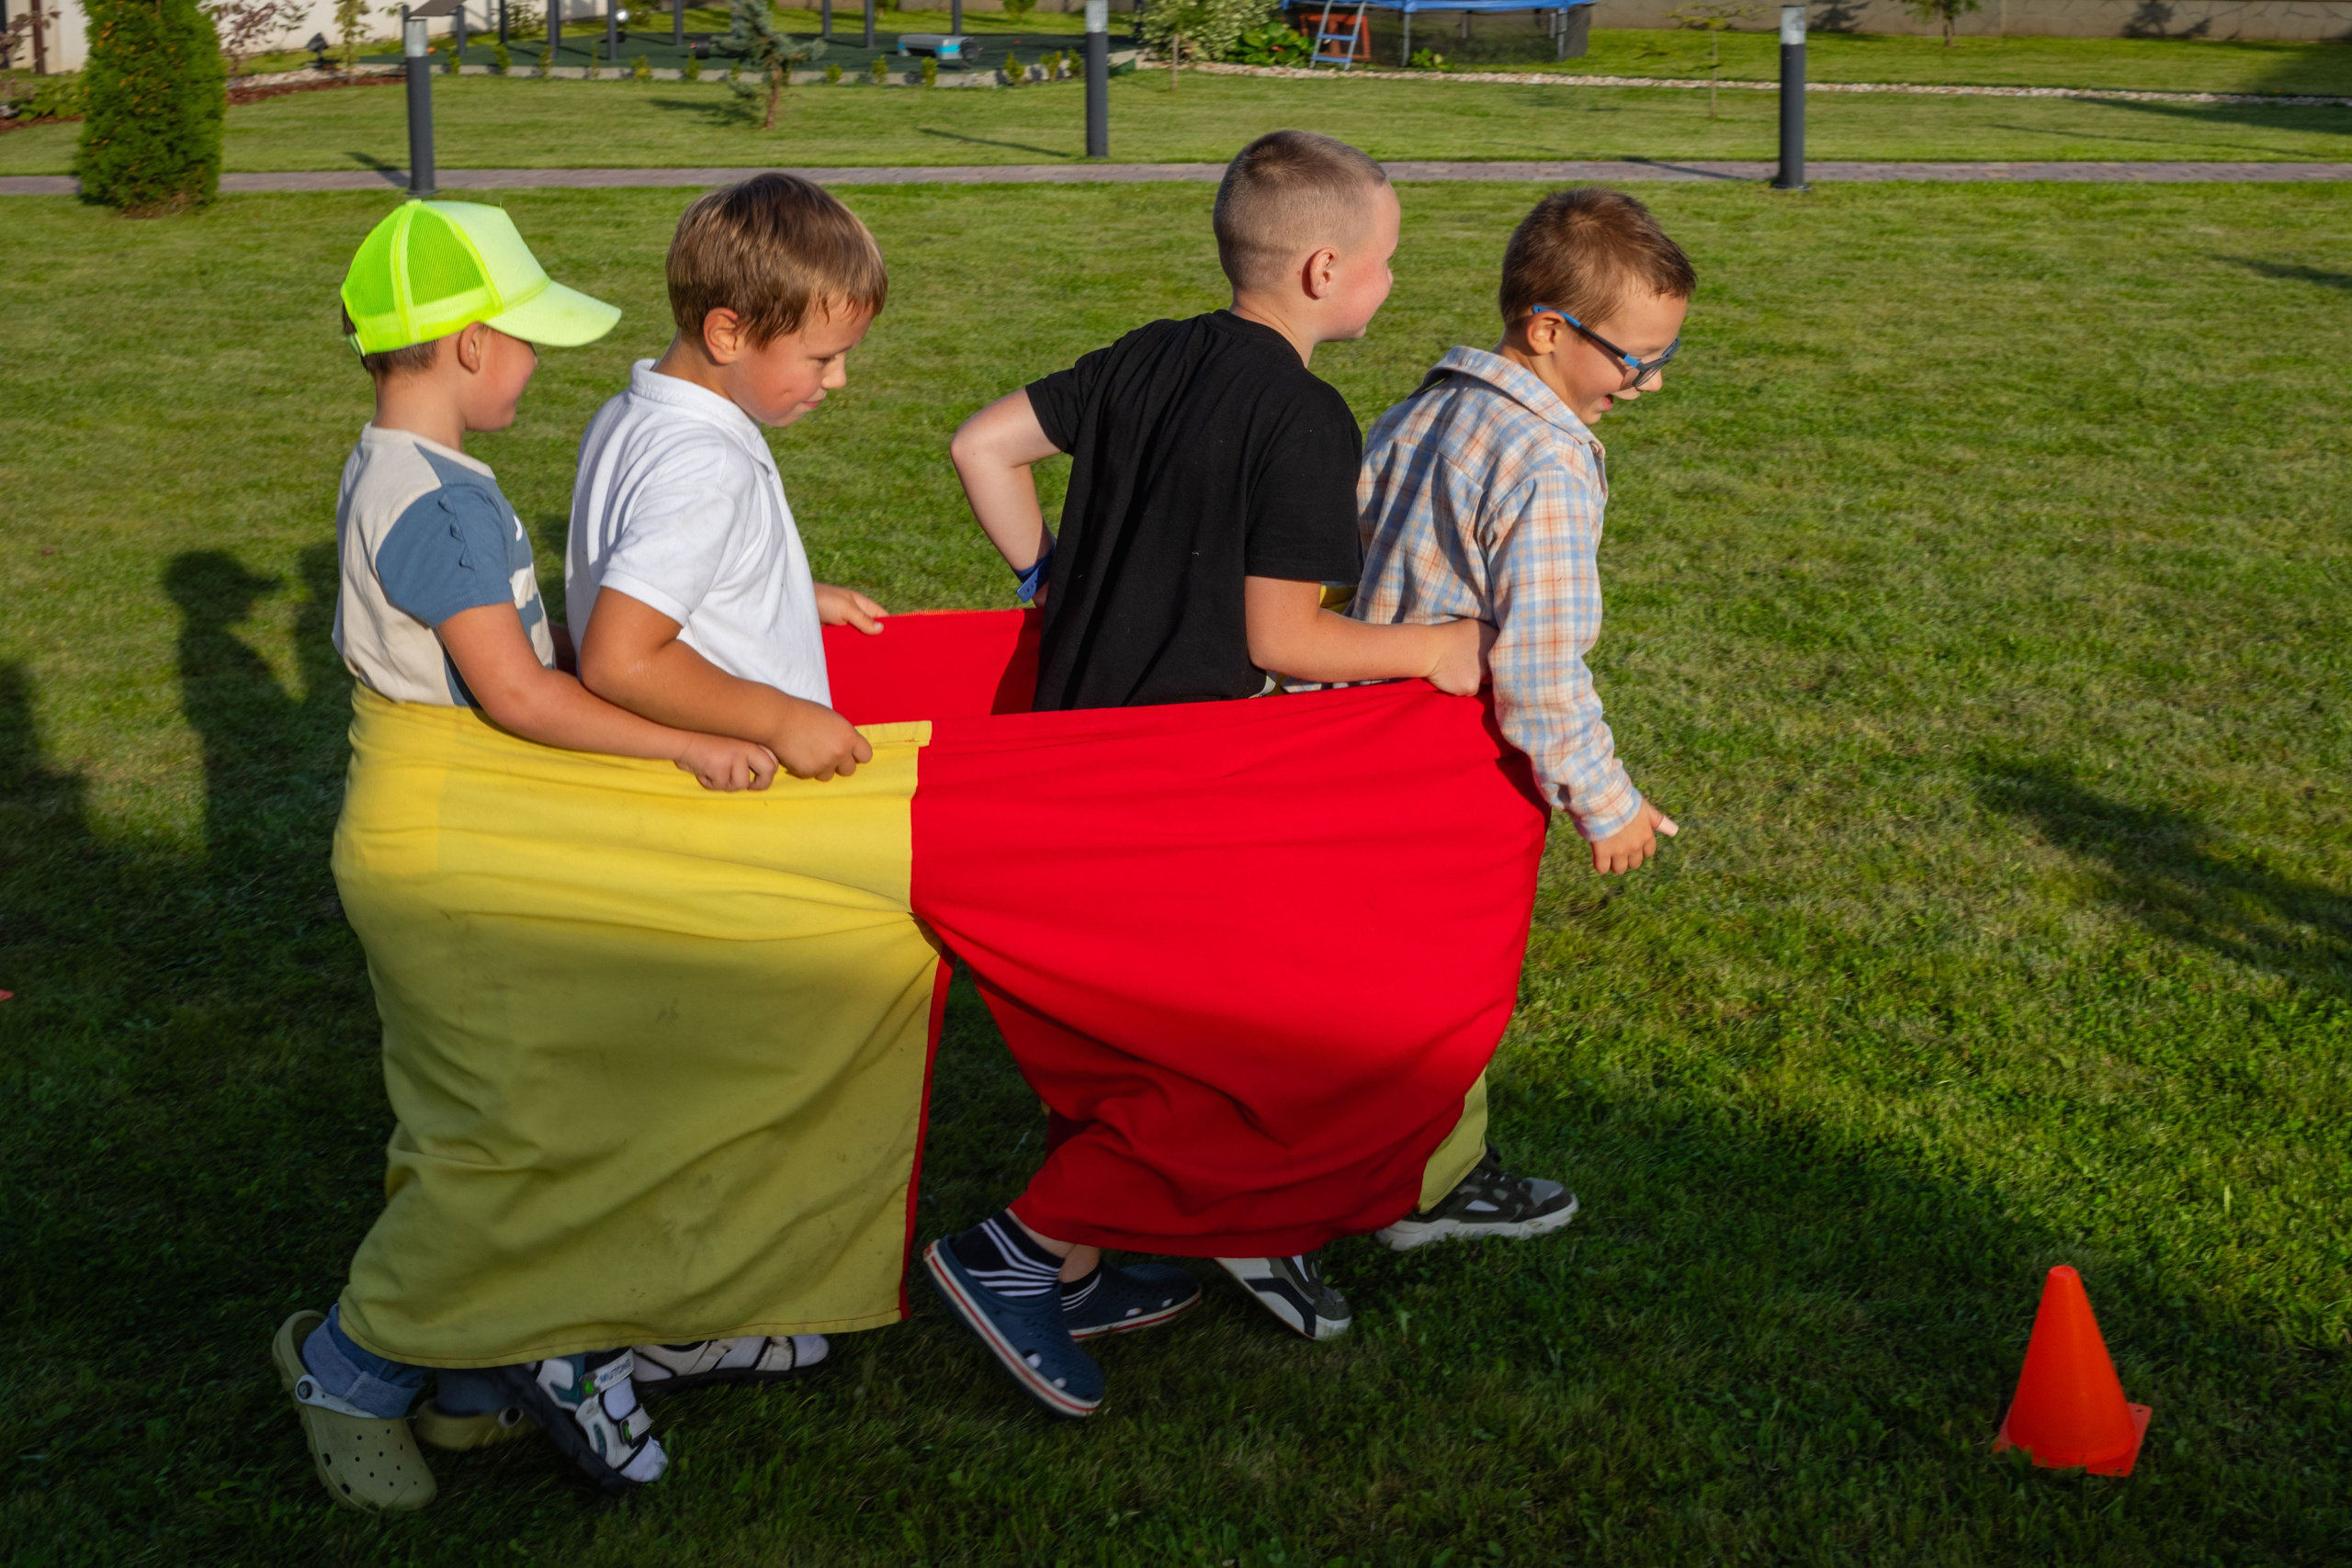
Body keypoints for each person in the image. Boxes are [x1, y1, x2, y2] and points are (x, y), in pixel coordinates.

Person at [931, 130, 1538, 1421]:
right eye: (1386, 264)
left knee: (1111, 1033)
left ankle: (1101, 1253)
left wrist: (1049, 578)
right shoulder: (1306, 419)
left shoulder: (1149, 351)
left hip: (1065, 746)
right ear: (1327, 269)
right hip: (1177, 786)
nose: (1389, 284)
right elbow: (1281, 636)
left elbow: (980, 445)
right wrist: (1432, 648)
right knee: (1231, 1045)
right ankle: (1021, 1249)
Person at [274, 198, 782, 1514]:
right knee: (505, 1133)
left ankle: (470, 1366)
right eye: (525, 340)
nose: (539, 363)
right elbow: (523, 695)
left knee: (490, 1112)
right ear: (460, 344)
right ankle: (352, 1363)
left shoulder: (418, 472)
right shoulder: (433, 503)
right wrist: (679, 749)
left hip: (458, 830)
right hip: (446, 846)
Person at [1346, 186, 1693, 1244]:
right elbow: (1539, 668)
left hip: (1347, 739)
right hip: (1442, 765)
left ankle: (1393, 1168)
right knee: (1440, 989)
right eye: (1631, 360)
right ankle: (1419, 1185)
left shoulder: (1426, 406)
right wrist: (1607, 800)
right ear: (1548, 331)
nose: (1647, 384)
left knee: (1369, 974)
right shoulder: (1545, 461)